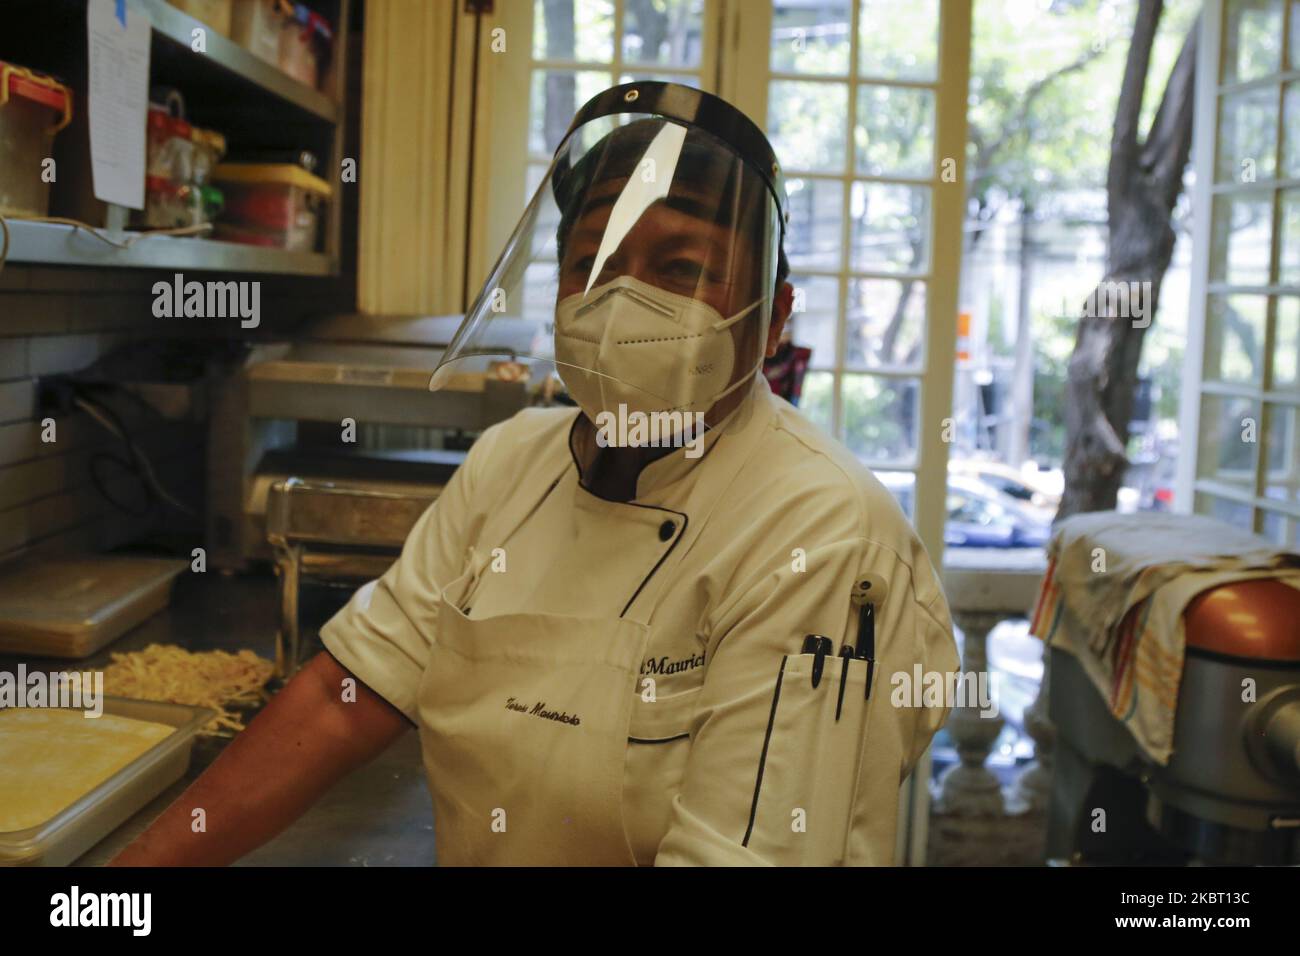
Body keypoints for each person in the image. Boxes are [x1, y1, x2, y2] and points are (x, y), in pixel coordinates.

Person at [114, 82, 958, 867]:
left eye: (680, 269)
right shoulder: (513, 460)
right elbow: (349, 695)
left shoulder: (819, 531)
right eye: (592, 263)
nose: (622, 302)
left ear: (772, 320)